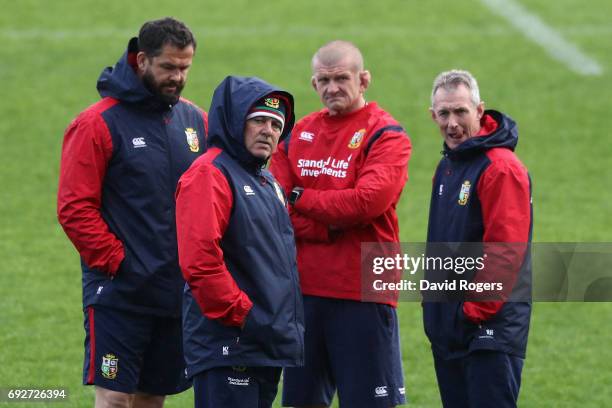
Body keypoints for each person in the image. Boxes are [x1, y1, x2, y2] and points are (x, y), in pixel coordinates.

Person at [57, 17, 207, 408]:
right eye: (169, 67)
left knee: (151, 397)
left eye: (185, 68)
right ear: (142, 60)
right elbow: (74, 209)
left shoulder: (194, 120)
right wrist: (120, 262)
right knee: (115, 397)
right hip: (119, 292)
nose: (178, 77)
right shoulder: (97, 123)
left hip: (173, 289)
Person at [270, 40, 411, 408]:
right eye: (324, 80)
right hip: (304, 293)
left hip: (363, 289)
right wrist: (327, 226)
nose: (332, 88)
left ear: (364, 80)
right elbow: (274, 203)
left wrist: (302, 197)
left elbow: (366, 203)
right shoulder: (296, 133)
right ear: (313, 84)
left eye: (342, 78)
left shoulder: (387, 135)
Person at [175, 75, 304, 408]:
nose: (268, 131)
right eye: (258, 120)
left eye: (276, 125)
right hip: (230, 342)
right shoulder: (209, 174)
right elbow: (201, 263)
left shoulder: (268, 182)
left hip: (262, 343)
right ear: (234, 121)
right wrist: (246, 316)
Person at [423, 69, 532, 408]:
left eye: (460, 112)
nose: (452, 123)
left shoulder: (501, 168)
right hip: (454, 327)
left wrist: (472, 312)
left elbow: (505, 251)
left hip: (489, 329)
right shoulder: (449, 166)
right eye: (444, 113)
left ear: (480, 111)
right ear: (433, 115)